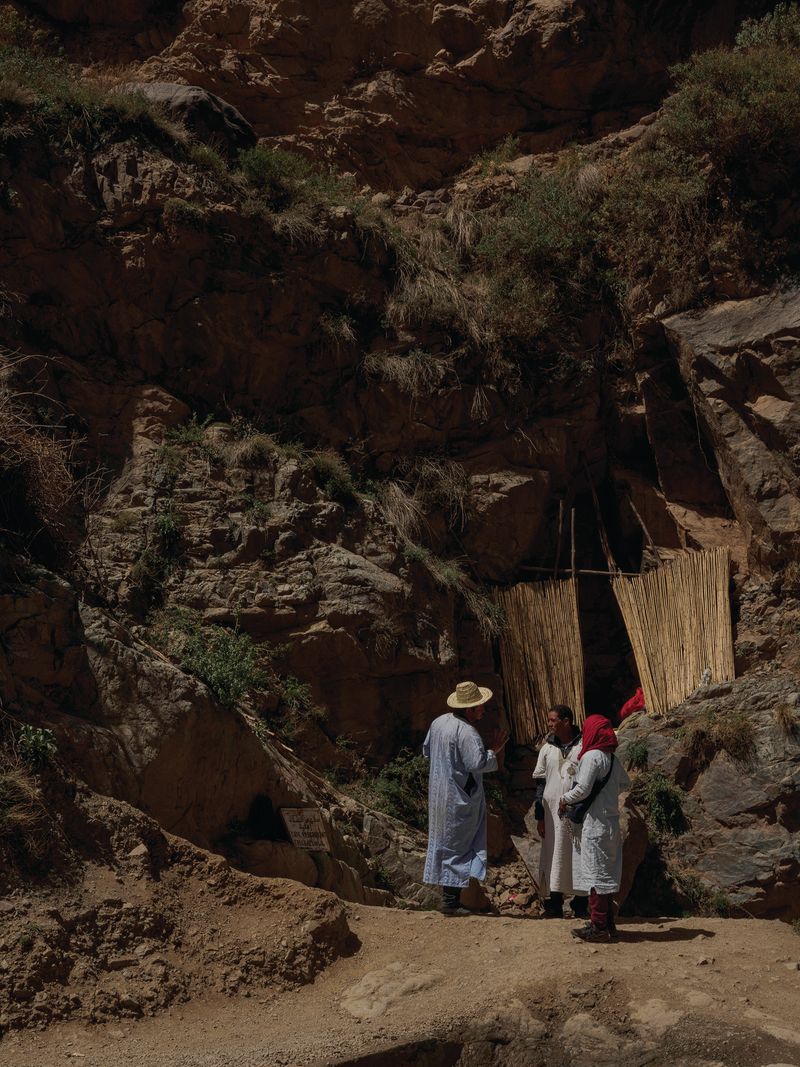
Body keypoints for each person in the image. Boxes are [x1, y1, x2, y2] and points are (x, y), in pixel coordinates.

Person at [423, 680, 509, 916]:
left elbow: (427, 750)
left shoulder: (439, 722)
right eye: (480, 706)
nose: (483, 710)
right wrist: (494, 751)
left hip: (439, 794)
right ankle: (451, 902)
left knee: (446, 842)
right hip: (458, 798)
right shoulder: (467, 732)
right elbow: (477, 763)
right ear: (469, 709)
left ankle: (451, 898)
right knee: (456, 846)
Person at [558, 714, 630, 943]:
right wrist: (608, 797)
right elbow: (626, 783)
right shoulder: (612, 759)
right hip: (610, 824)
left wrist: (564, 799)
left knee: (595, 877)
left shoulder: (591, 756)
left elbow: (582, 790)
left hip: (595, 825)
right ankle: (607, 924)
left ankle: (598, 928)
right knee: (606, 875)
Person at [531, 705, 588, 919]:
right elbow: (540, 783)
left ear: (566, 721)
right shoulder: (547, 749)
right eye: (549, 720)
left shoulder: (583, 747)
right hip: (550, 812)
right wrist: (539, 816)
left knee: (577, 854)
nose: (549, 724)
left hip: (575, 811)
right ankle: (553, 904)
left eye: (553, 720)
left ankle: (580, 905)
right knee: (552, 854)